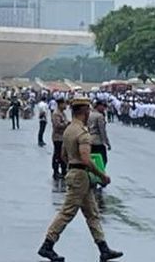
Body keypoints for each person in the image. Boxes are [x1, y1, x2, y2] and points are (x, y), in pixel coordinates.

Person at [37, 98, 122, 262]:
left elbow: (63, 155)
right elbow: (86, 159)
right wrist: (102, 175)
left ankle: (103, 248)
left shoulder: (69, 130)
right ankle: (47, 244)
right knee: (67, 212)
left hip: (74, 172)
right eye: (88, 109)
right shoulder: (82, 133)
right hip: (81, 175)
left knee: (92, 213)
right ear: (85, 111)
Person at [88, 101, 111, 168]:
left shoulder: (89, 114)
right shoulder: (99, 116)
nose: (104, 108)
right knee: (103, 160)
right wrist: (107, 142)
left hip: (89, 139)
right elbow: (102, 130)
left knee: (91, 158)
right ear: (99, 106)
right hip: (97, 141)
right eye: (103, 106)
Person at [51, 99, 70, 179]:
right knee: (57, 155)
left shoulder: (62, 113)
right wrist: (67, 124)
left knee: (63, 155)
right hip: (58, 137)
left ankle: (63, 170)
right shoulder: (56, 114)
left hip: (63, 137)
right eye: (64, 104)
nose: (66, 106)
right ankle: (56, 172)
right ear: (60, 104)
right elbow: (57, 125)